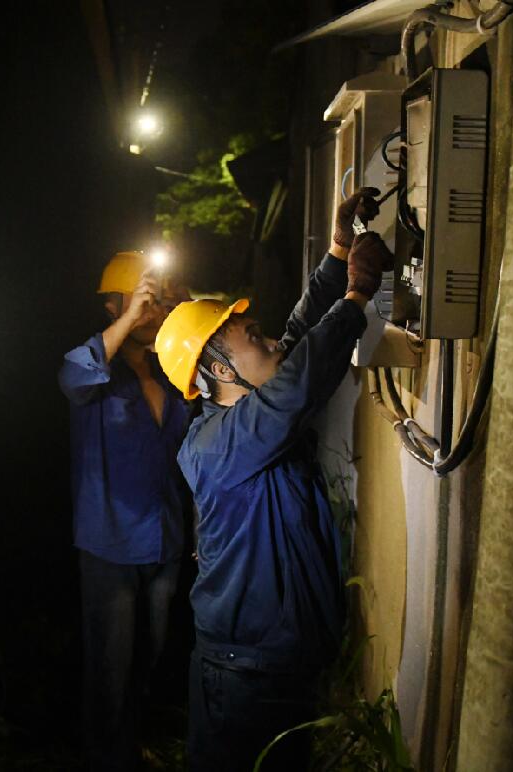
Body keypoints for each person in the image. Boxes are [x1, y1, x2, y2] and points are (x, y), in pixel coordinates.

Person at [154, 189, 392, 771]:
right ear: (218, 369)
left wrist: (339, 252)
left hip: (273, 665)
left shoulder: (245, 410)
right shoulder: (216, 446)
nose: (269, 343)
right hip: (245, 676)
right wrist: (358, 296)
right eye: (252, 337)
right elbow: (298, 382)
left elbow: (298, 335)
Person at [58, 251, 193, 771]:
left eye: (157, 303)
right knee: (110, 665)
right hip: (110, 543)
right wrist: (133, 316)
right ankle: (105, 756)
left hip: (165, 539)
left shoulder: (169, 369)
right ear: (113, 306)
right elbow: (72, 377)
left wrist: (183, 309)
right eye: (141, 302)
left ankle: (131, 745)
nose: (152, 312)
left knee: (149, 658)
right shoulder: (97, 370)